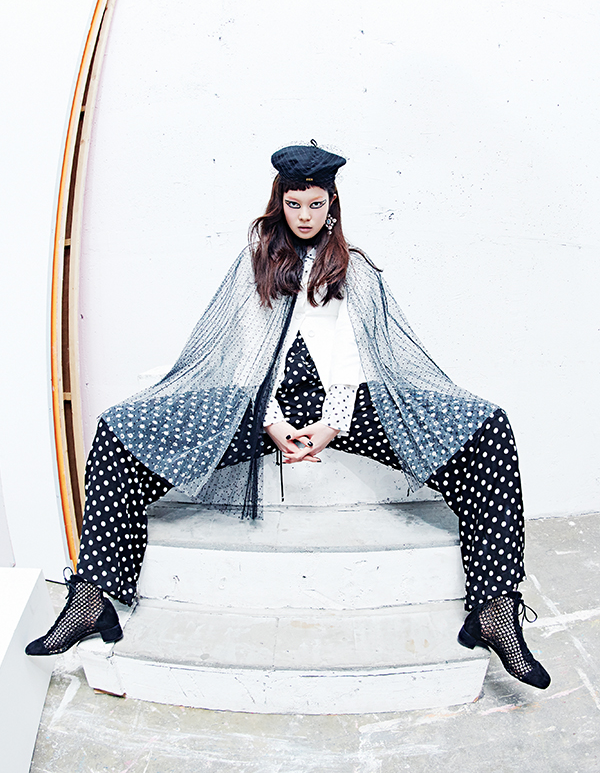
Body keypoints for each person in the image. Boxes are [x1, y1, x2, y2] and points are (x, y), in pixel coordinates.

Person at [26, 141, 550, 690]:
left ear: (332, 204)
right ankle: (92, 597)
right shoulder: (256, 260)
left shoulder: (351, 267)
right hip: (259, 401)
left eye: (316, 205)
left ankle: (495, 609)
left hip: (343, 401)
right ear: (279, 202)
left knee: (487, 427)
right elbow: (246, 351)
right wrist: (272, 422)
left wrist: (332, 423)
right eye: (294, 205)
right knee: (118, 428)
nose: (305, 216)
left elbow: (353, 353)